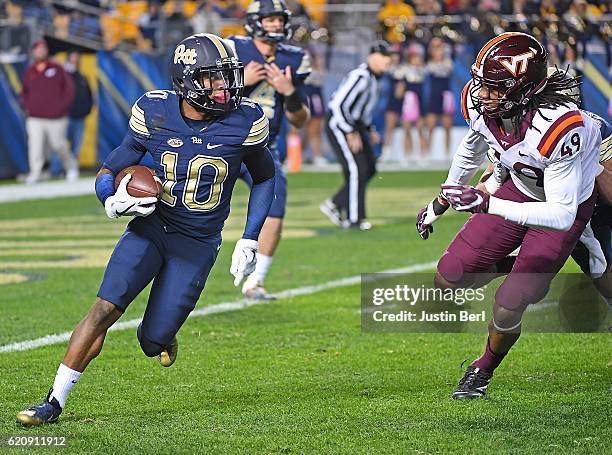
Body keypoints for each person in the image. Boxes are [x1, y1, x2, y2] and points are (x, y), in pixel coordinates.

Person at [16, 33, 276, 426]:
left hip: (197, 242)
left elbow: (265, 177)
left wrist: (250, 236)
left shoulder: (244, 121)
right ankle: (54, 400)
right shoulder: (156, 112)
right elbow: (112, 164)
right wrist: (109, 197)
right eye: (213, 78)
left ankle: (163, 333)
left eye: (226, 76)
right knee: (105, 308)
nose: (224, 86)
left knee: (151, 341)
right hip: (152, 227)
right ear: (187, 80)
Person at [415, 32, 603, 399]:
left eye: (495, 87)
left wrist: (486, 202)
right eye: (483, 83)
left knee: (509, 303)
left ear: (523, 89)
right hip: (518, 187)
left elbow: (561, 213)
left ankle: (482, 369)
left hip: (563, 205)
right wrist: (444, 198)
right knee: (448, 278)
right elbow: (471, 148)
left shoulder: (559, 125)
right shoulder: (482, 101)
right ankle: (519, 264)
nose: (482, 93)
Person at [225, 0, 311, 300]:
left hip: (263, 146)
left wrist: (289, 93)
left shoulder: (294, 58)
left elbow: (300, 120)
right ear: (253, 22)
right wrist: (239, 81)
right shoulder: (232, 49)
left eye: (278, 19)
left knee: (275, 208)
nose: (275, 24)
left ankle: (255, 281)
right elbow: (206, 95)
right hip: (222, 141)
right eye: (269, 19)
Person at [321, 41, 392, 230]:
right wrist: (349, 131)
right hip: (340, 125)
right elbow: (338, 105)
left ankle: (335, 204)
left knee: (369, 168)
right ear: (372, 57)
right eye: (384, 56)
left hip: (356, 126)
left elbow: (362, 110)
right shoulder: (360, 76)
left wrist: (368, 129)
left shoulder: (374, 79)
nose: (388, 61)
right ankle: (355, 219)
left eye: (389, 57)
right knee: (356, 169)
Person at [20, 39, 78, 184]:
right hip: (35, 117)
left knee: (59, 144)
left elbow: (69, 89)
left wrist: (61, 106)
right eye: (38, 49)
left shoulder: (57, 68)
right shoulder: (30, 71)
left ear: (46, 51)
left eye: (43, 49)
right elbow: (24, 92)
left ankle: (71, 167)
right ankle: (35, 173)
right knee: (35, 146)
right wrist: (28, 106)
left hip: (56, 117)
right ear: (33, 52)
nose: (40, 52)